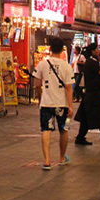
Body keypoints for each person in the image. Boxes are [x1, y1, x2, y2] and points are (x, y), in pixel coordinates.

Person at [33, 37, 74, 170]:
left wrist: (40, 99)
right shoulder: (67, 66)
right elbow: (69, 88)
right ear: (62, 50)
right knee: (65, 129)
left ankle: (47, 161)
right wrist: (71, 106)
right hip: (63, 105)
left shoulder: (42, 64)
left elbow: (37, 85)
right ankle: (62, 157)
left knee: (46, 130)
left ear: (50, 49)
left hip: (46, 104)